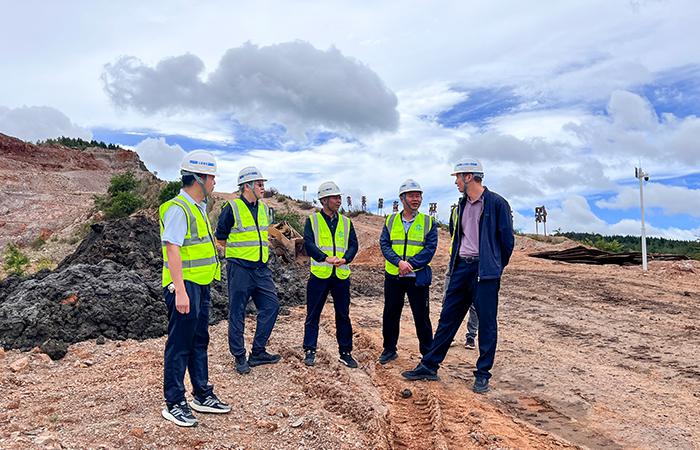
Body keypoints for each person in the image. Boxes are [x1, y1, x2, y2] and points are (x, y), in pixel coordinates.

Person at [402, 159, 514, 394]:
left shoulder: (497, 203)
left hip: (484, 272)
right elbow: (457, 237)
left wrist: (494, 266)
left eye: (457, 177)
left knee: (487, 323)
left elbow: (507, 242)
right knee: (448, 318)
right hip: (461, 268)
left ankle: (482, 374)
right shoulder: (460, 206)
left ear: (469, 176)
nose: (455, 182)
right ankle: (429, 366)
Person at [160, 150, 231, 427]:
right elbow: (172, 250)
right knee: (180, 344)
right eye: (212, 177)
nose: (214, 182)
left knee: (199, 340)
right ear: (199, 178)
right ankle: (174, 402)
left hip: (200, 284)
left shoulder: (198, 207)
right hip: (184, 286)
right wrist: (179, 290)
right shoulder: (178, 209)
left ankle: (202, 394)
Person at [215, 166, 280, 375]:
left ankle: (258, 352)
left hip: (261, 268)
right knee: (237, 312)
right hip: (240, 269)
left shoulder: (263, 209)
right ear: (247, 186)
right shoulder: (232, 208)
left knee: (271, 306)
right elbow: (221, 238)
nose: (263, 187)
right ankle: (239, 356)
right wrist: (238, 255)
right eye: (259, 184)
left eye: (263, 184)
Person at [378, 179, 437, 364]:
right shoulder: (390, 220)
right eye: (412, 196)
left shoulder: (428, 222)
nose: (416, 199)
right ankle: (389, 349)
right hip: (394, 276)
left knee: (422, 316)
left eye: (418, 196)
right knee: (391, 313)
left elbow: (430, 249)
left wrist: (409, 264)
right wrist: (398, 263)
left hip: (417, 277)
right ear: (402, 198)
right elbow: (385, 244)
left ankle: (427, 355)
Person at [302, 181, 360, 368]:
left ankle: (345, 352)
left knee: (343, 314)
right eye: (335, 197)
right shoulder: (313, 221)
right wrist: (324, 258)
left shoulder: (346, 222)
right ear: (324, 200)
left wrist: (346, 259)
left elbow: (353, 245)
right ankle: (310, 350)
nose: (338, 200)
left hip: (341, 275)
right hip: (319, 275)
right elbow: (309, 244)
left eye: (339, 197)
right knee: (313, 314)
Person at [447, 205, 478, 350]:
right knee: (449, 299)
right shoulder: (456, 210)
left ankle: (471, 336)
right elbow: (453, 232)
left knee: (475, 303)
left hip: (477, 262)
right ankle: (449, 335)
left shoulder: (485, 206)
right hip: (456, 261)